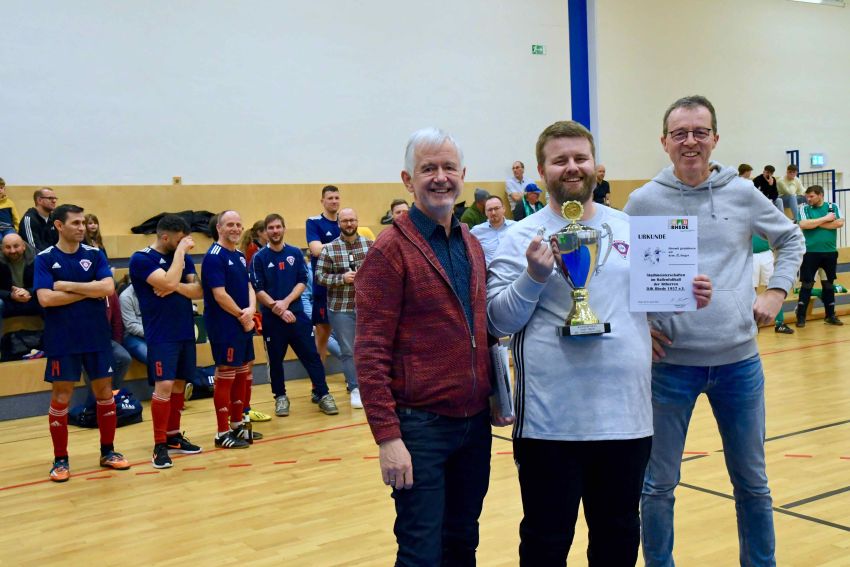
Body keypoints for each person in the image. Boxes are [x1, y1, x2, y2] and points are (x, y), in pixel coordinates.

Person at [487, 120, 711, 566]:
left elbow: (649, 310)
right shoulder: (519, 236)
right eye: (560, 160)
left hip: (626, 420)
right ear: (541, 170)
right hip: (549, 424)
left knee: (618, 540)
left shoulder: (632, 229)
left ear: (595, 165)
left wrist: (687, 296)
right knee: (545, 543)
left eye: (580, 158)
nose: (572, 167)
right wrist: (533, 277)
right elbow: (498, 320)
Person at [624, 95, 804, 566]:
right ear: (664, 141)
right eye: (680, 133)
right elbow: (622, 273)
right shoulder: (642, 202)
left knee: (752, 484)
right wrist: (641, 324)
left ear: (715, 139)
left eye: (700, 132)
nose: (690, 141)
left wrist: (776, 292)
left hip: (739, 364)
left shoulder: (742, 193)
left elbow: (791, 238)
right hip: (668, 368)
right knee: (658, 485)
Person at [356, 127, 510, 566]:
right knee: (421, 552)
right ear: (408, 180)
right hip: (420, 429)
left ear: (463, 175)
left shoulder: (472, 244)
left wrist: (497, 393)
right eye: (428, 169)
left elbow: (481, 328)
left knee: (462, 543)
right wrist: (388, 438)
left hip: (474, 426)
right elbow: (369, 353)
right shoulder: (389, 251)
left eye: (448, 168)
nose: (440, 177)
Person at [34, 204, 130, 482]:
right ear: (59, 226)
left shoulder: (94, 254)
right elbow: (46, 299)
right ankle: (60, 459)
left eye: (83, 223)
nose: (82, 227)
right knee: (61, 396)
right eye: (75, 223)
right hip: (62, 339)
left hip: (96, 336)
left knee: (105, 393)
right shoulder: (44, 258)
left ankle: (108, 452)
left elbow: (108, 288)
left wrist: (65, 285)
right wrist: (89, 291)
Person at [129, 214, 204, 468]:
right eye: (180, 240)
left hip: (184, 329)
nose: (186, 243)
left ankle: (173, 436)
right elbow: (171, 280)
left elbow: (198, 291)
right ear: (164, 237)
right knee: (164, 385)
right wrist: (179, 260)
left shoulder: (182, 258)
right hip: (161, 333)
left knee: (180, 384)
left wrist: (174, 286)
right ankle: (159, 445)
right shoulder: (141, 259)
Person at [249, 213, 338, 417]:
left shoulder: (295, 253)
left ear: (284, 228)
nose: (275, 231)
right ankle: (280, 397)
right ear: (266, 231)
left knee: (312, 356)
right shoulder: (259, 258)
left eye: (278, 227)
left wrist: (286, 303)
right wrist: (278, 308)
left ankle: (323, 394)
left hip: (297, 315)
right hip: (272, 319)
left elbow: (301, 281)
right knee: (275, 360)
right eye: (271, 228)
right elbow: (258, 289)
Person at [202, 210, 258, 449]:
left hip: (243, 322)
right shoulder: (214, 256)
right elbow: (219, 294)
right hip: (224, 325)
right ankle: (221, 433)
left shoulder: (239, 255)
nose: (235, 228)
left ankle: (237, 425)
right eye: (230, 225)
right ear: (219, 228)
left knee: (242, 372)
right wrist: (241, 315)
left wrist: (251, 310)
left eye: (238, 224)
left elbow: (249, 286)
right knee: (226, 373)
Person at [316, 207, 371, 409]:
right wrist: (342, 278)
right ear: (339, 223)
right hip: (341, 308)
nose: (349, 224)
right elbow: (319, 277)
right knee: (348, 350)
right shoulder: (329, 249)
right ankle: (355, 388)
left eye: (352, 220)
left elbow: (381, 272)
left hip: (367, 308)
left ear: (357, 221)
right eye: (345, 220)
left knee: (369, 349)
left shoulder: (370, 245)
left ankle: (371, 387)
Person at [795, 184, 844, 327]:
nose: (808, 199)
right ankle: (801, 317)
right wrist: (826, 219)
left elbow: (839, 223)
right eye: (807, 196)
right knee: (807, 284)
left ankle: (830, 316)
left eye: (811, 196)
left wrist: (815, 223)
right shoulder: (804, 208)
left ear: (821, 195)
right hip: (810, 252)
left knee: (828, 284)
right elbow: (804, 224)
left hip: (830, 252)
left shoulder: (832, 206)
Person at [306, 185, 341, 364]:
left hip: (345, 289)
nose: (334, 201)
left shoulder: (345, 221)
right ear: (322, 201)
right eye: (330, 198)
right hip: (323, 289)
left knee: (351, 338)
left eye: (337, 198)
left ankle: (354, 378)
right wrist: (341, 244)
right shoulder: (313, 222)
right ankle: (319, 380)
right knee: (322, 337)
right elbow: (316, 250)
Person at [0, 233, 41, 338]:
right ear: (2, 248)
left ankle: (50, 342)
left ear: (23, 246)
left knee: (49, 298)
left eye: (16, 246)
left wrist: (29, 291)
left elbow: (46, 283)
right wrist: (10, 295)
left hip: (32, 297)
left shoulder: (38, 258)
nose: (12, 251)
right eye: (8, 247)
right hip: (7, 300)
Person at [752, 235, 793, 334]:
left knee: (775, 287)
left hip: (766, 253)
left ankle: (780, 323)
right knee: (751, 290)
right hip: (749, 255)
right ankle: (752, 325)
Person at [469, 196, 515, 265]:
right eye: (490, 210)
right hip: (491, 271)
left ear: (504, 209)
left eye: (496, 208)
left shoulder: (516, 227)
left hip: (514, 270)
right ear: (485, 212)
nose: (493, 213)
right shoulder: (477, 231)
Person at [21, 187, 58, 252]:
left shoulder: (54, 218)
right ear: (39, 200)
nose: (54, 201)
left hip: (53, 255)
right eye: (50, 198)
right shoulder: (29, 219)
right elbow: (33, 248)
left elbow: (59, 242)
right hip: (39, 257)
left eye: (55, 198)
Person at [119, 283, 148, 364]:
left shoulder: (156, 291)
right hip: (132, 336)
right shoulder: (125, 297)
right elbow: (131, 326)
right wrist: (153, 333)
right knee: (153, 357)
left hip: (154, 333)